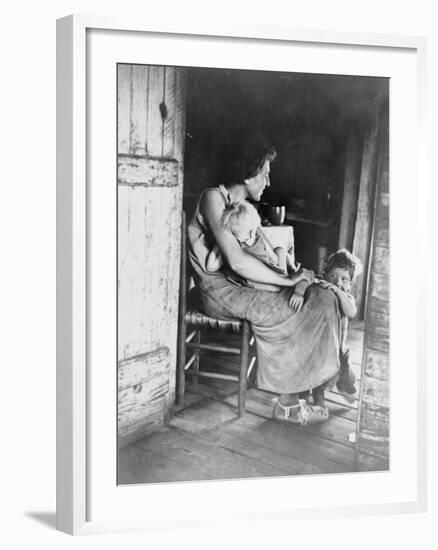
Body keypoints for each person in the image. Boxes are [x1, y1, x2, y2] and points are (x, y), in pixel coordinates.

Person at [187, 135, 343, 425]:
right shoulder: (213, 198)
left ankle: (316, 385)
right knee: (290, 306)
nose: (268, 182)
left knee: (322, 297)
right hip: (219, 290)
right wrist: (288, 282)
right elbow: (236, 261)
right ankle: (285, 402)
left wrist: (294, 274)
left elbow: (261, 253)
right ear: (248, 173)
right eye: (265, 174)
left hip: (240, 282)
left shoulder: (245, 206)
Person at [293, 249, 363, 409]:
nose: (337, 282)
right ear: (325, 274)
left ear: (350, 284)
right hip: (316, 343)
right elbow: (305, 278)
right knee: (311, 374)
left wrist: (338, 292)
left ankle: (347, 388)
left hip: (339, 348)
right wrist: (299, 291)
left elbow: (351, 312)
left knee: (346, 378)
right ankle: (312, 401)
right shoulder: (320, 284)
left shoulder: (346, 296)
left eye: (344, 279)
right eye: (333, 276)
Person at [205, 200, 301, 292]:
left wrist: (279, 270)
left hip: (270, 268)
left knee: (280, 250)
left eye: (253, 230)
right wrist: (219, 243)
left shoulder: (257, 238)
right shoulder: (234, 248)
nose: (252, 235)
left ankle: (286, 277)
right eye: (247, 233)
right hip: (256, 277)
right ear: (234, 235)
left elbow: (273, 258)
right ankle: (283, 282)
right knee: (275, 288)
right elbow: (210, 267)